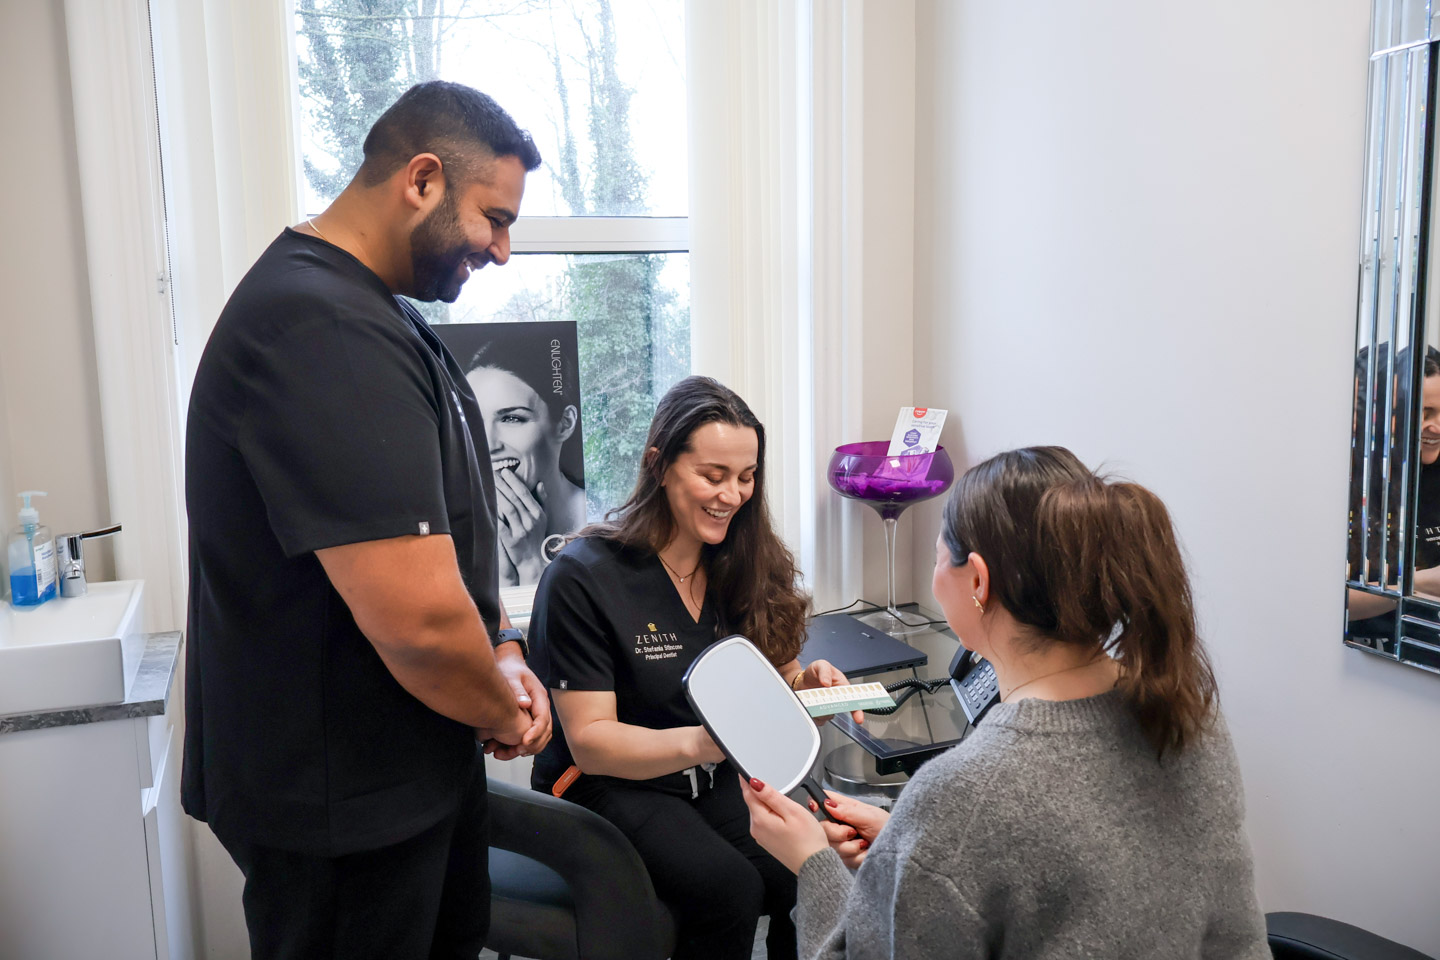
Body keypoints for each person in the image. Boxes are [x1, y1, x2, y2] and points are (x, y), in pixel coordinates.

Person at [182, 82, 553, 960]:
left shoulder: (382, 312)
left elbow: (450, 532)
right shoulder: (318, 326)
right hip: (340, 807)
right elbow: (420, 623)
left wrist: (501, 649)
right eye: (493, 218)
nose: (503, 251)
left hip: (408, 775)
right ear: (422, 179)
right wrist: (499, 709)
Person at [742, 446, 1270, 960]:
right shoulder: (1188, 716)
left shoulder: (964, 795)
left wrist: (812, 862)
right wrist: (907, 847)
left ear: (977, 580)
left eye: (936, 558)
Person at [527, 376, 860, 960]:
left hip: (704, 774)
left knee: (808, 867)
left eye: (746, 477)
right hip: (606, 784)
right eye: (713, 475)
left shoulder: (744, 562)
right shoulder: (583, 576)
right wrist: (711, 743)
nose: (731, 495)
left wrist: (808, 689)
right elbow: (593, 744)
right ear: (659, 464)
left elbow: (778, 681)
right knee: (727, 891)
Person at [466, 341, 586, 585]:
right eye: (473, 421)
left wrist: (531, 566)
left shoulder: (606, 522)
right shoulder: (454, 532)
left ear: (565, 423)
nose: (487, 445)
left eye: (511, 418)